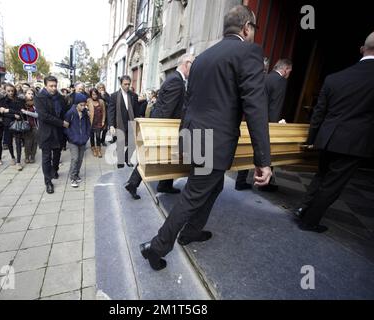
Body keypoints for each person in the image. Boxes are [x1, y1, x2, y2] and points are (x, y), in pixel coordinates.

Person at [140, 5, 272, 271]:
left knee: (212, 187)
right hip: (215, 141)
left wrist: (183, 137)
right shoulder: (249, 52)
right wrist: (263, 160)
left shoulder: (203, 57)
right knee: (194, 194)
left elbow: (190, 102)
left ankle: (191, 232)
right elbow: (256, 108)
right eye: (254, 29)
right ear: (247, 27)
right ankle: (155, 247)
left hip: (194, 135)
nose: (254, 34)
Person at [294, 28, 374, 233]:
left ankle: (303, 209)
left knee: (321, 177)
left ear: (362, 49)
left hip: (327, 138)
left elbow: (318, 113)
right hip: (355, 143)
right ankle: (309, 221)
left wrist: (312, 139)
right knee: (332, 185)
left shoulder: (335, 77)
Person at [125, 53, 195, 200]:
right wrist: (162, 131)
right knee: (151, 156)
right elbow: (167, 109)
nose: (193, 68)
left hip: (167, 126)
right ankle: (133, 183)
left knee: (168, 157)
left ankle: (165, 185)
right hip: (165, 126)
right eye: (192, 65)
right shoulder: (176, 81)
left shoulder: (175, 79)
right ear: (186, 63)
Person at [235, 58, 293, 192]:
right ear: (285, 70)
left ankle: (240, 180)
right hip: (266, 122)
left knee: (248, 149)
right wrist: (274, 126)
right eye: (290, 71)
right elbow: (275, 106)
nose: (289, 73)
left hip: (252, 118)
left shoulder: (264, 78)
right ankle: (264, 183)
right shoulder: (280, 81)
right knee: (267, 151)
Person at [35, 76, 69, 194]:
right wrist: (61, 123)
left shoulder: (59, 97)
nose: (54, 88)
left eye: (55, 86)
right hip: (46, 131)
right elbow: (43, 116)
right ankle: (48, 182)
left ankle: (55, 170)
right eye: (51, 86)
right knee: (46, 157)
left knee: (57, 153)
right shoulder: (39, 97)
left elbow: (64, 111)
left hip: (59, 131)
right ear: (45, 85)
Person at [108, 75, 140, 168]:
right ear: (121, 84)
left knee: (133, 144)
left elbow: (136, 111)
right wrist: (111, 125)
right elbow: (111, 111)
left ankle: (127, 158)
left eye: (128, 84)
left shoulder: (133, 95)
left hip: (131, 123)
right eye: (125, 84)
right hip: (120, 123)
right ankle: (120, 163)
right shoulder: (114, 96)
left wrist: (138, 123)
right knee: (120, 145)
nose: (127, 86)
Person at [64, 93, 91, 188]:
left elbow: (88, 126)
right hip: (73, 141)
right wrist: (71, 137)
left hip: (83, 140)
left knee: (80, 159)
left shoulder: (85, 113)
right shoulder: (70, 113)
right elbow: (66, 127)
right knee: (75, 158)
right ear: (76, 104)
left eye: (85, 105)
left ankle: (77, 174)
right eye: (81, 105)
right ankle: (73, 177)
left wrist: (87, 136)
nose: (83, 107)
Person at [0, 83, 24, 171]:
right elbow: (2, 113)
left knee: (18, 142)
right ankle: (12, 157)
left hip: (17, 123)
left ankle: (18, 161)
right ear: (5, 91)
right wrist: (13, 115)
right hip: (7, 124)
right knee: (9, 142)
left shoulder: (19, 100)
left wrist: (8, 110)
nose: (10, 93)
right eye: (8, 91)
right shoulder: (2, 100)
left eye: (12, 91)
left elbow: (21, 112)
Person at [87, 88, 106, 158]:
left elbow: (104, 112)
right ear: (91, 95)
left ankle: (99, 149)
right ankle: (93, 149)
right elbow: (84, 107)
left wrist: (103, 120)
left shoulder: (101, 101)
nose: (95, 96)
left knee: (98, 137)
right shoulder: (88, 101)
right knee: (92, 137)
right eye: (93, 94)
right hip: (91, 122)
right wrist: (87, 112)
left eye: (96, 94)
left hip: (99, 122)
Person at [21, 88, 39, 164]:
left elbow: (38, 115)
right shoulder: (22, 103)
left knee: (34, 142)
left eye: (32, 94)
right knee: (27, 142)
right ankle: (27, 156)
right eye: (29, 93)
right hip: (26, 126)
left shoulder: (36, 104)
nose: (31, 95)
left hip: (35, 125)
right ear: (25, 94)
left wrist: (26, 112)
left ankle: (32, 156)